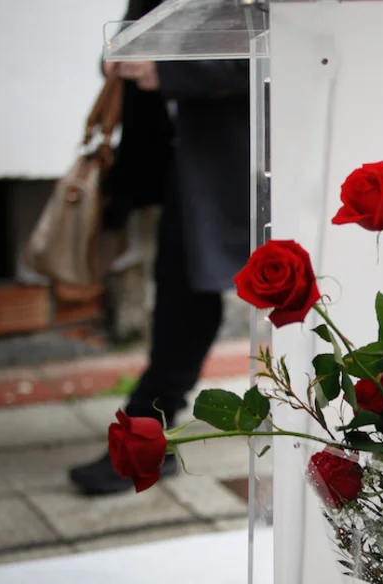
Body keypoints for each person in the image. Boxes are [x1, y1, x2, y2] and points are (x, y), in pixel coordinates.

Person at [70, 0, 251, 495]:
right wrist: (120, 55)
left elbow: (272, 47)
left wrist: (167, 70)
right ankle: (149, 434)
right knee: (182, 291)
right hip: (177, 154)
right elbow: (139, 27)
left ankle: (147, 435)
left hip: (241, 158)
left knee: (189, 294)